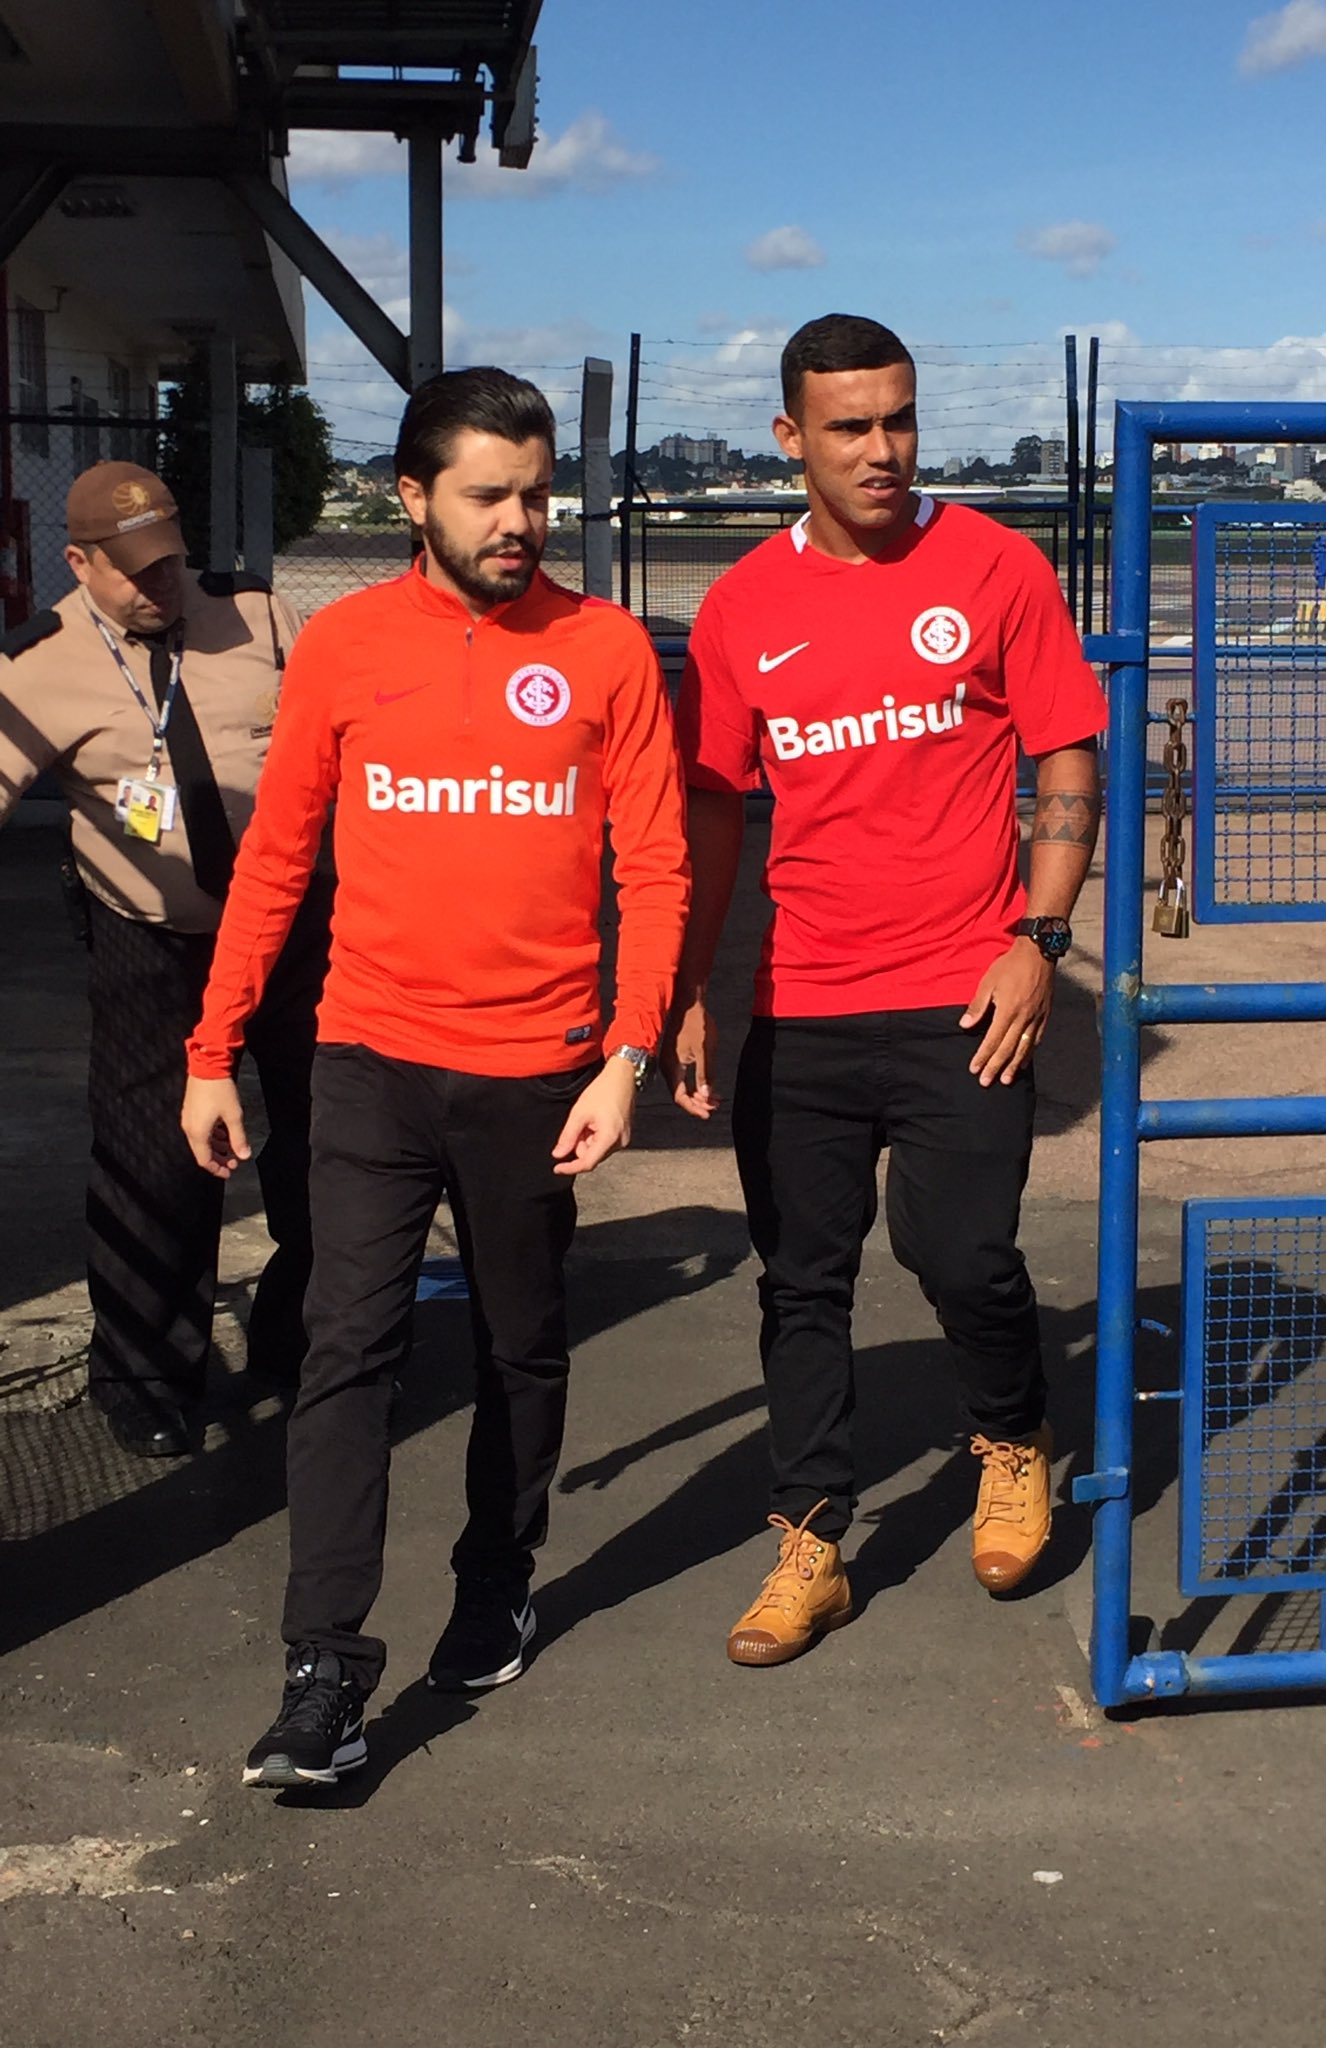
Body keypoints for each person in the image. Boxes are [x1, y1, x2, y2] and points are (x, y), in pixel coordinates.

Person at [181, 368, 689, 1787]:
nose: (523, 520)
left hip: (537, 1072)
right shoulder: (343, 648)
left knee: (523, 1346)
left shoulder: (606, 654)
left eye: (538, 494)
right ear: (412, 500)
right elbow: (278, 858)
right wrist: (213, 1047)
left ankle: (496, 1574)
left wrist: (627, 1052)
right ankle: (325, 1671)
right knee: (348, 1348)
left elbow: (653, 868)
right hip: (369, 1062)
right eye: (491, 496)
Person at [663, 314, 1108, 1666]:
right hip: (803, 1008)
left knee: (959, 1255)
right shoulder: (742, 608)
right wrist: (687, 989)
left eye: (898, 419)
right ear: (790, 439)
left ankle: (1016, 1437)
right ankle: (812, 1542)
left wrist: (1041, 937)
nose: (882, 450)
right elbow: (716, 812)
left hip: (965, 994)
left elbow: (1070, 760)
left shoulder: (991, 565)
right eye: (849, 427)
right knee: (801, 1280)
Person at [0, 460, 328, 1458]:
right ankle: (147, 1373)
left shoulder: (260, 617)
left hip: (291, 927)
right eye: (134, 570)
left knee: (327, 1142)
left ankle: (301, 1341)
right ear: (78, 562)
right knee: (157, 1161)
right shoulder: (37, 661)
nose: (160, 583)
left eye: (170, 560)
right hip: (149, 939)